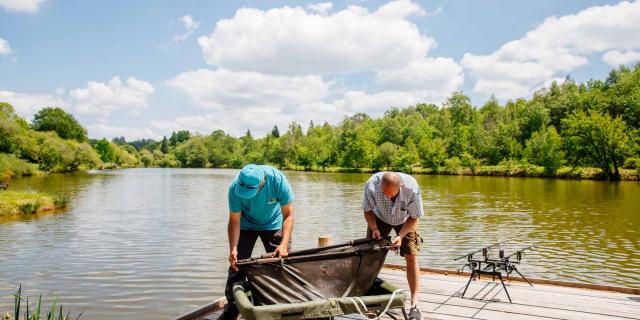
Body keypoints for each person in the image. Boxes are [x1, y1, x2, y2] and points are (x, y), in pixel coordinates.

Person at [219, 164, 294, 320]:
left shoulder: (278, 180)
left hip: (273, 223)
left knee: (282, 263)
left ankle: (284, 308)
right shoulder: (234, 188)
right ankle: (232, 308)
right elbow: (234, 221)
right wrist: (233, 248)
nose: (246, 195)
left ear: (261, 183)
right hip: (245, 225)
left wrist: (284, 244)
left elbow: (288, 214)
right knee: (236, 265)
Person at [363, 171, 424, 320]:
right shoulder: (371, 185)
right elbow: (368, 210)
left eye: (392, 195)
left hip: (405, 220)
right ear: (380, 186)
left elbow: (414, 217)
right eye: (385, 194)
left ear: (401, 187)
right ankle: (367, 296)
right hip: (380, 217)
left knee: (411, 256)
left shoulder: (412, 188)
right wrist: (374, 228)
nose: (389, 197)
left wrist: (400, 236)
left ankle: (415, 306)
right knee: (369, 254)